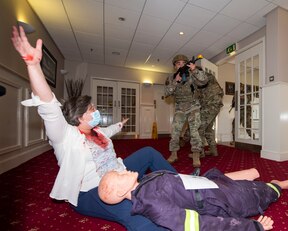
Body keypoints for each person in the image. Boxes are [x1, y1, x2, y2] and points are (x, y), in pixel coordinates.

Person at [11, 25, 177, 231]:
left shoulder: (97, 132)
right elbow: (48, 105)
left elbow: (109, 131)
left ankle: (181, 184)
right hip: (91, 191)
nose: (96, 110)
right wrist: (33, 65)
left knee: (149, 152)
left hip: (119, 173)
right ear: (80, 116)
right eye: (92, 108)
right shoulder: (65, 136)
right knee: (139, 214)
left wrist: (120, 124)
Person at [98, 167, 288, 231]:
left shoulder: (145, 182)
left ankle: (271, 184)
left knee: (249, 185)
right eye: (119, 175)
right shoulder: (153, 205)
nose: (123, 170)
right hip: (226, 202)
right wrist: (252, 227)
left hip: (214, 186)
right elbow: (202, 225)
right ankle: (279, 185)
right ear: (119, 192)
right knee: (260, 194)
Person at [165, 54, 209, 167]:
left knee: (194, 131)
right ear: (175, 66)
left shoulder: (193, 74)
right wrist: (175, 81)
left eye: (183, 63)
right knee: (175, 131)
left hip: (193, 106)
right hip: (180, 107)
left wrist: (195, 70)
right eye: (178, 63)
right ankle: (174, 154)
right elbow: (166, 93)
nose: (181, 65)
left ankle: (196, 155)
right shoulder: (171, 77)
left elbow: (204, 81)